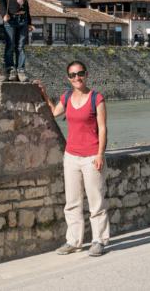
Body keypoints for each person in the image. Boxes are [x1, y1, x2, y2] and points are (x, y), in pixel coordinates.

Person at [35, 60, 110, 256]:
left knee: (96, 201)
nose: (77, 78)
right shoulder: (67, 97)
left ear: (86, 74)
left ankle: (99, 240)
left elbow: (102, 129)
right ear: (68, 78)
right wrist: (43, 93)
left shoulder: (97, 98)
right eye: (73, 75)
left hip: (92, 156)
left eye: (81, 73)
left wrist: (100, 154)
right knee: (73, 201)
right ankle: (74, 241)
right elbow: (53, 112)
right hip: (71, 157)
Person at [0, 0, 34, 82]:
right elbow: (1, 1)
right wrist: (4, 15)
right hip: (11, 18)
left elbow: (26, 4)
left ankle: (21, 69)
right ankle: (10, 69)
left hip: (23, 19)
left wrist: (29, 22)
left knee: (20, 46)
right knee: (10, 45)